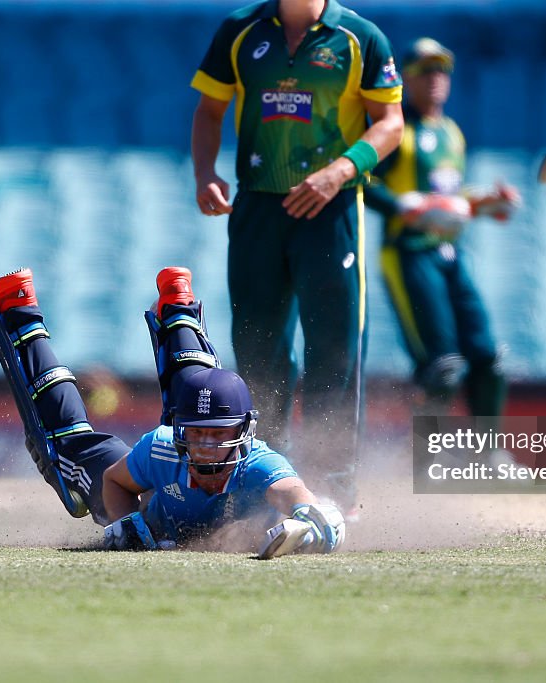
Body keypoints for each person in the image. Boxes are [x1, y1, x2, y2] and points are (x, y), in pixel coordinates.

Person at [0, 267, 345, 555]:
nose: (205, 445)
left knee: (199, 400)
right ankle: (17, 312)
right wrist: (126, 521)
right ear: (179, 432)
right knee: (68, 452)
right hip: (149, 504)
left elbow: (297, 496)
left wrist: (309, 521)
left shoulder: (258, 465)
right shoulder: (162, 447)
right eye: (196, 433)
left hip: (169, 500)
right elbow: (115, 482)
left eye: (218, 434)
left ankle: (178, 306)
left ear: (244, 433)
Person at [189, 0, 405, 509]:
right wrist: (205, 173)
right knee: (258, 347)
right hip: (257, 208)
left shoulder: (360, 37)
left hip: (330, 213)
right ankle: (267, 479)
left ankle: (335, 485)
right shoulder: (240, 31)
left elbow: (391, 123)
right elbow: (208, 111)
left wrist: (340, 170)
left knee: (333, 349)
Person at [364, 38, 520, 440]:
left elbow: (451, 200)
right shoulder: (397, 130)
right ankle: (426, 459)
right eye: (425, 69)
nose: (435, 78)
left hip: (451, 253)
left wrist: (486, 202)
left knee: (487, 358)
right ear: (407, 79)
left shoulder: (451, 132)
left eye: (441, 69)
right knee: (442, 367)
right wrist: (402, 206)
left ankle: (490, 457)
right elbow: (364, 180)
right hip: (409, 254)